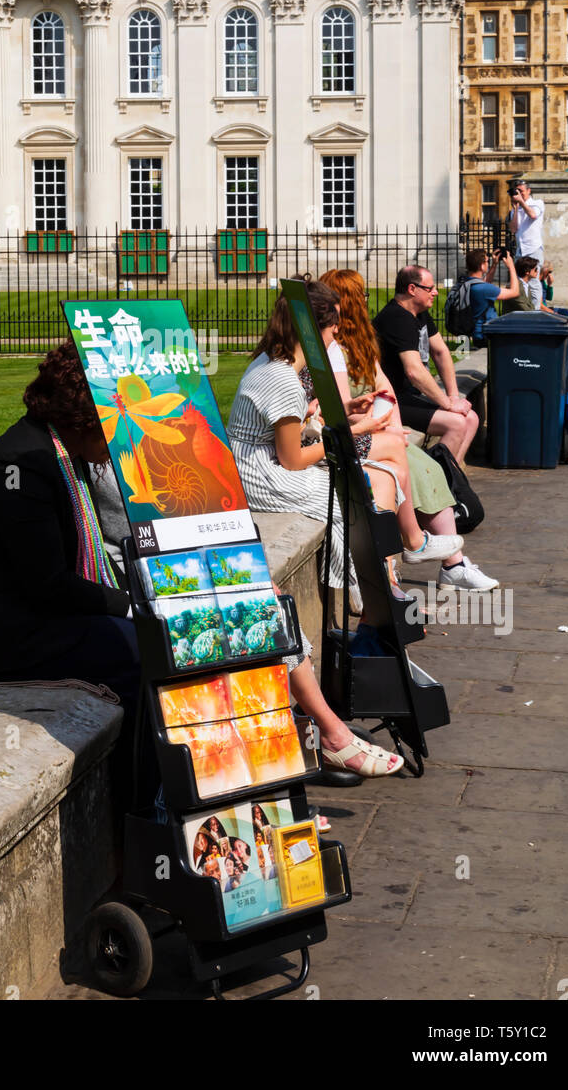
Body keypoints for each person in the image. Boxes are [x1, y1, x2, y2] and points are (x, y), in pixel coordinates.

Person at [0, 341, 148, 803]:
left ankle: (153, 795)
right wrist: (133, 608)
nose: (118, 441)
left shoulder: (57, 450)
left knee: (152, 645)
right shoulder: (21, 466)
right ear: (83, 422)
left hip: (43, 616)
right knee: (140, 654)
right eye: (112, 428)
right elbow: (49, 585)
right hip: (7, 637)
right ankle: (139, 803)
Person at [227, 281, 411, 777]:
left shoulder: (274, 366)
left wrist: (338, 423)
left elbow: (296, 437)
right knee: (347, 495)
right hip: (260, 475)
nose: (335, 338)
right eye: (332, 329)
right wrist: (356, 431)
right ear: (318, 330)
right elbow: (292, 460)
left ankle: (375, 592)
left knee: (359, 490)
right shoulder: (282, 378)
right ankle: (370, 595)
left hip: (264, 463)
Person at [321, 268, 498, 593]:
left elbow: (385, 388)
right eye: (359, 295)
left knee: (428, 465)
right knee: (420, 466)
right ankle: (441, 561)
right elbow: (344, 408)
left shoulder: (362, 339)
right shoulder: (335, 346)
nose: (364, 300)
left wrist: (395, 426)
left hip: (378, 429)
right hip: (358, 435)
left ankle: (452, 563)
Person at [374, 266, 479, 466]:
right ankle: (438, 484)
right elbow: (414, 372)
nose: (436, 292)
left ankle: (452, 481)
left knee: (471, 418)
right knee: (456, 423)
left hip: (409, 396)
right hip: (391, 401)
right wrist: (448, 405)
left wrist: (454, 396)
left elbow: (440, 352)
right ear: (412, 289)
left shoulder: (419, 313)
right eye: (430, 288)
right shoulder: (397, 318)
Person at [508, 178, 544, 263]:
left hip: (533, 250)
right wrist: (516, 209)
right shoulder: (515, 209)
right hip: (520, 251)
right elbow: (513, 229)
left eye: (521, 191)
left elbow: (533, 215)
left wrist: (521, 202)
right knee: (518, 276)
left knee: (533, 276)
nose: (519, 194)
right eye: (517, 192)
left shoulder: (537, 203)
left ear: (528, 191)